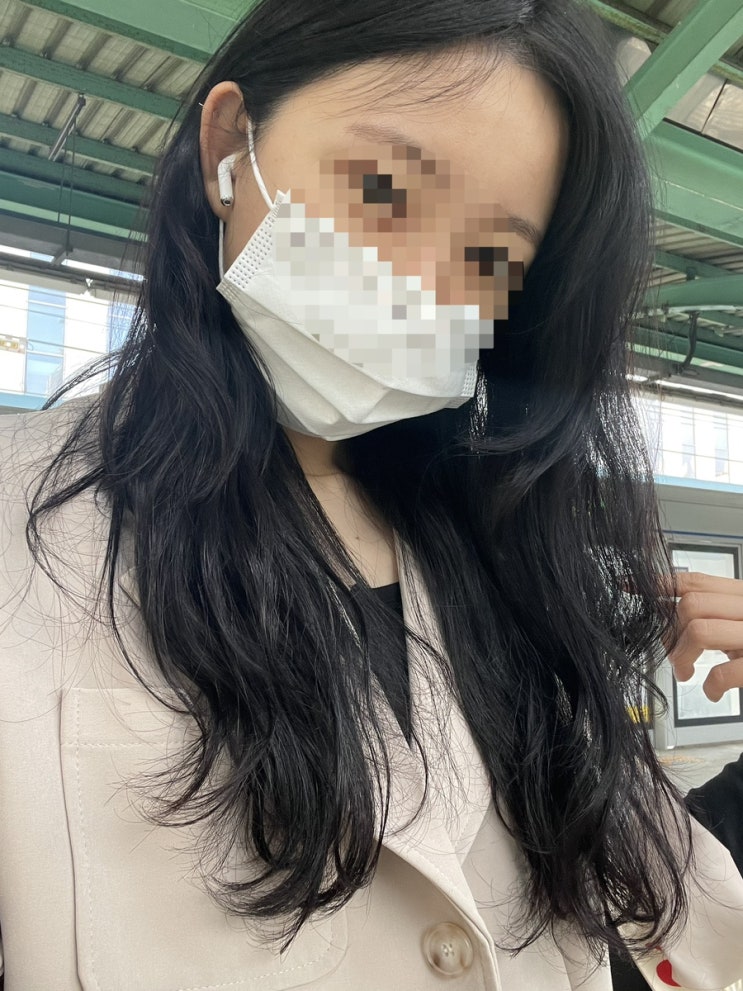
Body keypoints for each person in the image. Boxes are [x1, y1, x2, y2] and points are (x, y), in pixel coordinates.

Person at [1, 0, 742, 988]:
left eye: (488, 258)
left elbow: (670, 914)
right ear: (228, 147)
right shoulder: (22, 525)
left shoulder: (501, 560)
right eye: (381, 189)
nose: (419, 282)